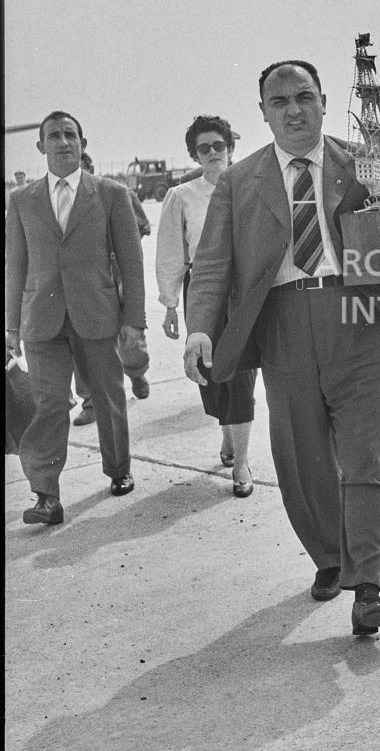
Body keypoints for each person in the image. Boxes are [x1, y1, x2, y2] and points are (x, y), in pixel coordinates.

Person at [182, 60, 380, 635]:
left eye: (304, 97)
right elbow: (210, 264)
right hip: (280, 324)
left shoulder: (361, 160)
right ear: (262, 113)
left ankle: (370, 586)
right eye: (279, 102)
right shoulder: (238, 181)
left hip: (360, 316)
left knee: (364, 455)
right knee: (302, 458)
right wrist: (201, 326)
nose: (294, 110)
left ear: (326, 100)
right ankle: (333, 557)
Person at [5, 111, 145, 526]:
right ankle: (46, 495)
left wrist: (133, 319)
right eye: (54, 136)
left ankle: (119, 468)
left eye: (70, 135)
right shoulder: (21, 200)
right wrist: (11, 325)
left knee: (107, 395)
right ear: (41, 146)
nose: (63, 142)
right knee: (49, 404)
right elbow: (15, 265)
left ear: (83, 144)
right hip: (41, 320)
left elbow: (132, 262)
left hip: (97, 315)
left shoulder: (110, 193)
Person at [156, 116, 258, 497]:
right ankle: (227, 433)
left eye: (219, 145)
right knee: (212, 374)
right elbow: (170, 253)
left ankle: (243, 461)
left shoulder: (251, 187)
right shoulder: (182, 196)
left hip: (245, 292)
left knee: (244, 374)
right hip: (202, 291)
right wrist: (169, 304)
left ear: (231, 146)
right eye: (205, 148)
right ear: (194, 154)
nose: (214, 152)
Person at [72, 151, 152, 426]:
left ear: (90, 168)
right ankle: (90, 402)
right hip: (84, 282)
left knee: (129, 333)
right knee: (80, 342)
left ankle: (137, 372)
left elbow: (141, 227)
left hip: (117, 275)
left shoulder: (117, 193)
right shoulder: (59, 202)